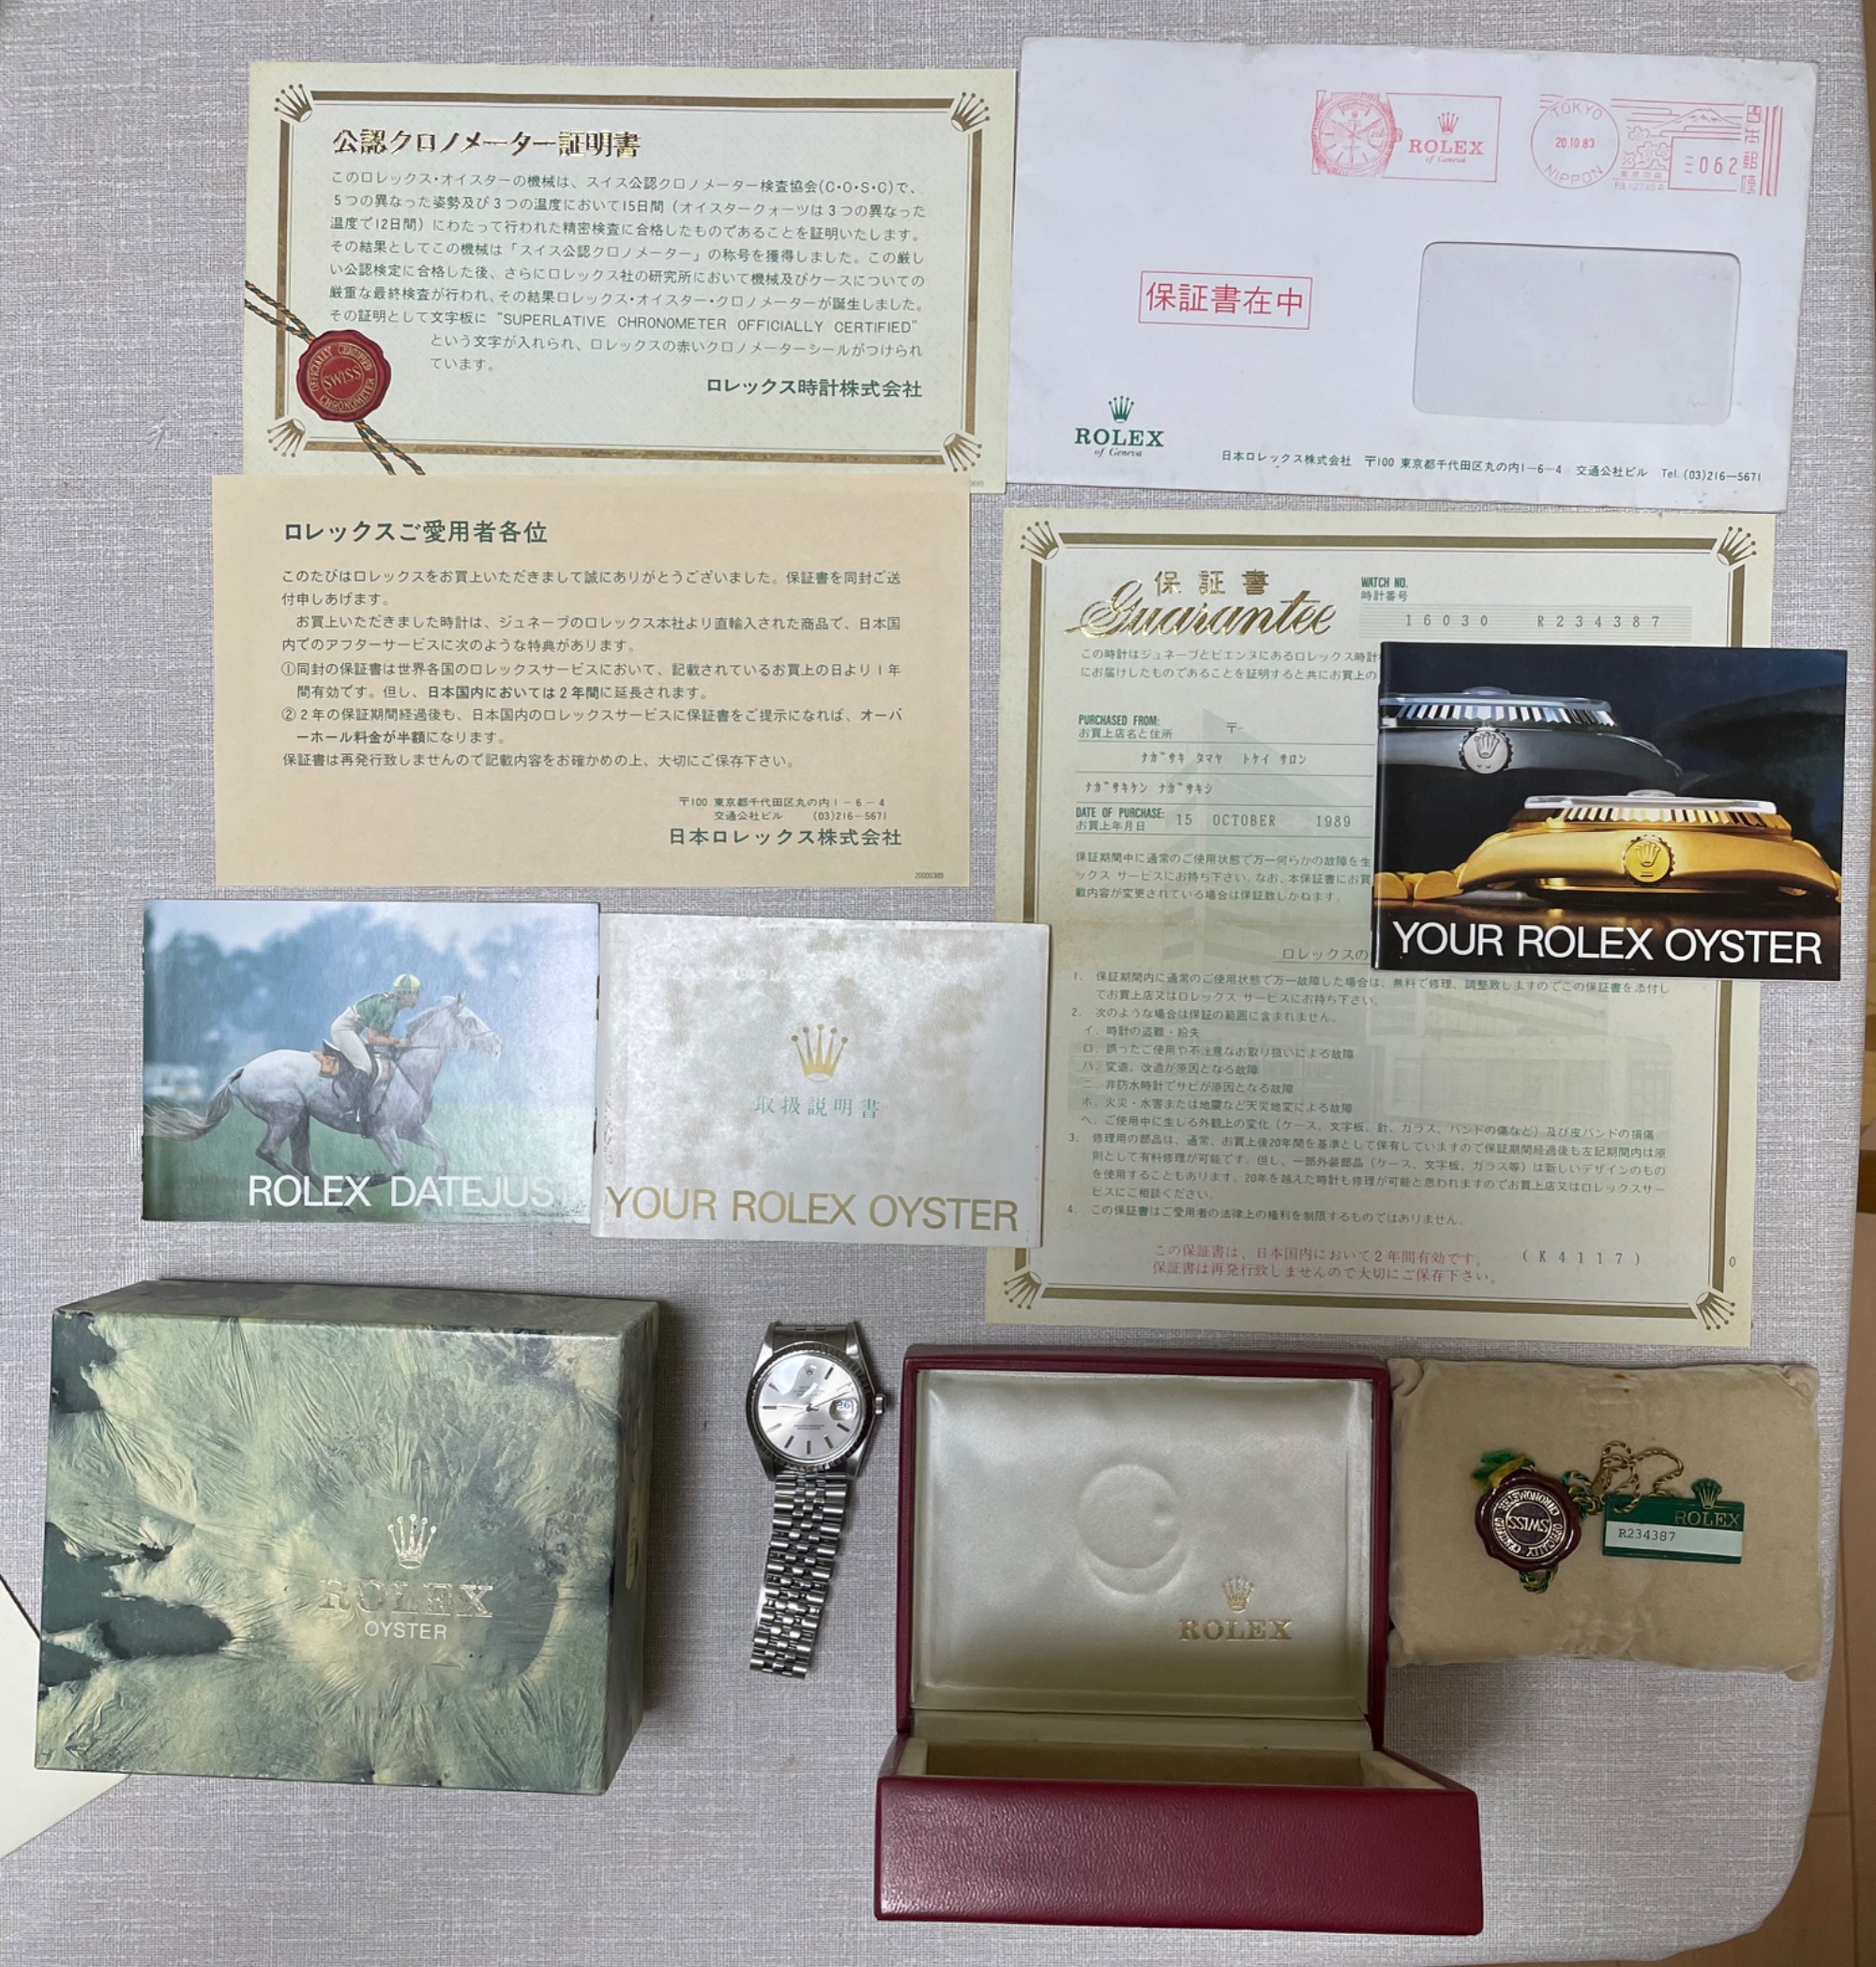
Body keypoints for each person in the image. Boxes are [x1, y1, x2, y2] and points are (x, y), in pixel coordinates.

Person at [329, 974, 421, 1125]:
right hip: (344, 1028)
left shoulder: (395, 1009)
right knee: (365, 1066)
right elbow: (373, 1038)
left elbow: (383, 1038)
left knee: (373, 1060)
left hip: (354, 1029)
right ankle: (351, 1109)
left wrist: (395, 1045)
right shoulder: (387, 1007)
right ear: (405, 994)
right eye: (416, 994)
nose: (418, 998)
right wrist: (398, 1041)